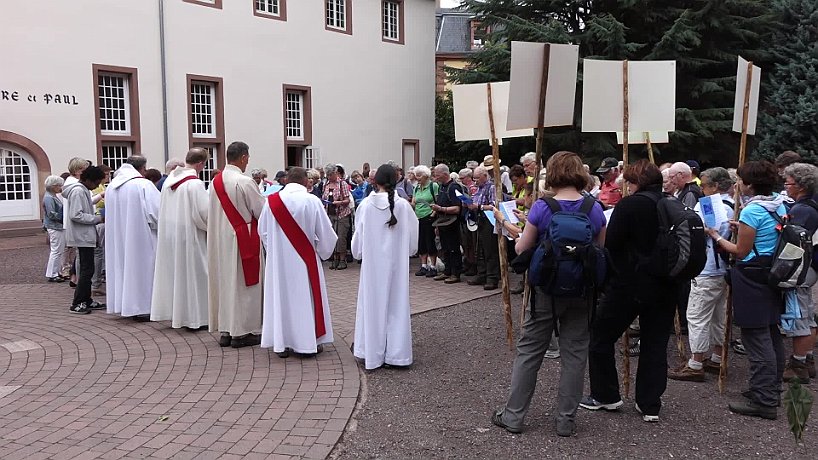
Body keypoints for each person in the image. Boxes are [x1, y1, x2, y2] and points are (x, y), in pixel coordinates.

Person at [492, 151, 606, 436]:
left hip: (545, 289)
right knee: (575, 352)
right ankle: (566, 420)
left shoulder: (543, 207)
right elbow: (600, 250)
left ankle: (514, 416)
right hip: (582, 290)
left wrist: (517, 233)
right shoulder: (594, 207)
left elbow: (522, 249)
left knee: (530, 350)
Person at [582, 160, 678, 422]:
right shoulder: (672, 203)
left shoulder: (631, 204)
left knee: (601, 336)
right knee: (655, 343)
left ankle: (606, 394)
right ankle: (649, 404)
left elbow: (611, 243)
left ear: (635, 182)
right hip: (667, 284)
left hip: (630, 284)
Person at [705, 160, 786, 419]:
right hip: (772, 272)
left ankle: (764, 400)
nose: (737, 184)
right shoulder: (777, 203)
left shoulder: (752, 210)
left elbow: (740, 251)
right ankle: (770, 390)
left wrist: (716, 237)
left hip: (752, 275)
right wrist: (743, 230)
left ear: (750, 184)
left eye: (740, 180)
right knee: (772, 333)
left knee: (756, 336)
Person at [259, 167, 337, 358]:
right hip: (305, 260)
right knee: (305, 298)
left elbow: (263, 232)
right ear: (305, 181)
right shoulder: (311, 201)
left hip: (279, 263)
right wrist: (321, 251)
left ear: (286, 180)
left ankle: (282, 343)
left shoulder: (271, 202)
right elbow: (327, 235)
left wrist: (276, 250)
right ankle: (309, 342)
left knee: (281, 298)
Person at [669, 167, 734, 382]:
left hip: (708, 267)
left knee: (697, 315)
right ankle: (716, 357)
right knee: (718, 314)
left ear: (714, 187)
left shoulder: (710, 205)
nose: (701, 189)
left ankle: (696, 362)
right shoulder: (734, 205)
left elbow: (703, 229)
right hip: (723, 268)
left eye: (704, 185)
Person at [352, 164, 419, 369]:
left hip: (372, 266)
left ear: (375, 181)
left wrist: (358, 253)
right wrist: (405, 252)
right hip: (396, 265)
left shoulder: (365, 205)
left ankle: (370, 350)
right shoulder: (403, 206)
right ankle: (397, 354)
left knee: (371, 306)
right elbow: (413, 243)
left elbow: (358, 240)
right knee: (397, 306)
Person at [208, 141, 265, 348]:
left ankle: (226, 330)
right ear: (242, 157)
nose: (248, 162)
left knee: (226, 284)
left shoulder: (215, 182)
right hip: (243, 238)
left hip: (221, 239)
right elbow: (261, 211)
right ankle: (243, 332)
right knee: (245, 287)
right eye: (247, 158)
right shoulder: (244, 181)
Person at [150, 148, 211, 330]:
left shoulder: (170, 180)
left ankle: (179, 314)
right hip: (191, 236)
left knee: (178, 275)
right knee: (196, 275)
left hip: (172, 234)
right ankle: (196, 318)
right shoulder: (194, 184)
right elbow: (204, 214)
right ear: (201, 163)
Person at [105, 156, 161, 321]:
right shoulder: (143, 185)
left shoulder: (111, 187)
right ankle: (144, 306)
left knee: (122, 267)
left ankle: (125, 304)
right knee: (143, 269)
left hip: (119, 237)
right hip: (142, 237)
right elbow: (157, 213)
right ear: (142, 168)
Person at [780, 163, 818, 382]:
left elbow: (793, 243)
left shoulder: (801, 210)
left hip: (804, 269)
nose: (785, 186)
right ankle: (807, 358)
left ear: (801, 186)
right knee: (806, 313)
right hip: (812, 266)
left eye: (788, 182)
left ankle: (798, 363)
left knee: (800, 314)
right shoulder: (811, 204)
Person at [63, 166, 106, 314]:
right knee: (87, 270)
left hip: (85, 234)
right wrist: (98, 218)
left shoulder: (82, 190)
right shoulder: (78, 191)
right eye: (96, 182)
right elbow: (76, 215)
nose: (96, 186)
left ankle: (86, 300)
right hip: (82, 235)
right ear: (88, 180)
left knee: (89, 269)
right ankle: (78, 302)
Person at [466, 165, 500, 290]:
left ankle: (492, 277)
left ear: (485, 176)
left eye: (477, 178)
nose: (475, 181)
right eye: (474, 178)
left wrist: (478, 206)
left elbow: (493, 206)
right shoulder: (478, 188)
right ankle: (482, 273)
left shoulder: (491, 187)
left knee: (490, 249)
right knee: (479, 248)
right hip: (479, 219)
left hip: (489, 219)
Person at [430, 164, 463, 284]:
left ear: (445, 174)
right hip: (442, 222)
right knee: (445, 248)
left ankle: (456, 273)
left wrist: (441, 208)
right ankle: (447, 271)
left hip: (452, 222)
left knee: (453, 248)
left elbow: (457, 208)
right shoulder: (441, 187)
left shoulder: (454, 187)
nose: (436, 177)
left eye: (437, 175)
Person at [322, 163, 353, 270]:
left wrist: (338, 202)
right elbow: (324, 196)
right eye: (328, 175)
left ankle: (342, 259)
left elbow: (347, 200)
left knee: (341, 237)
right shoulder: (326, 184)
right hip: (330, 214)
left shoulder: (342, 184)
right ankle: (335, 258)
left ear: (336, 173)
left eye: (331, 174)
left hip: (341, 214)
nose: (329, 177)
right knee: (332, 236)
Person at [411, 165, 439, 278]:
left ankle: (433, 266)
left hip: (430, 216)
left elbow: (438, 202)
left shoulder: (434, 186)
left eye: (419, 175)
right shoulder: (417, 187)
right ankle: (423, 265)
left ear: (426, 175)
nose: (417, 178)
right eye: (416, 175)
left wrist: (433, 214)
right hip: (418, 217)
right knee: (421, 241)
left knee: (430, 241)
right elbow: (414, 202)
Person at [91, 164, 111, 296]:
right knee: (99, 249)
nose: (109, 176)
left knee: (102, 248)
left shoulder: (103, 186)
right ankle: (98, 276)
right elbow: (97, 203)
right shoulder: (98, 187)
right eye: (107, 174)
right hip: (99, 218)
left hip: (102, 218)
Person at [43, 175, 67, 283]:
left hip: (57, 226)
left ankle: (56, 272)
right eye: (58, 185)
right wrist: (64, 218)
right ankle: (53, 273)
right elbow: (52, 214)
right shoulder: (49, 198)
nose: (60, 187)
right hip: (55, 226)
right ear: (53, 186)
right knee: (56, 250)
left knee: (58, 250)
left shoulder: (52, 196)